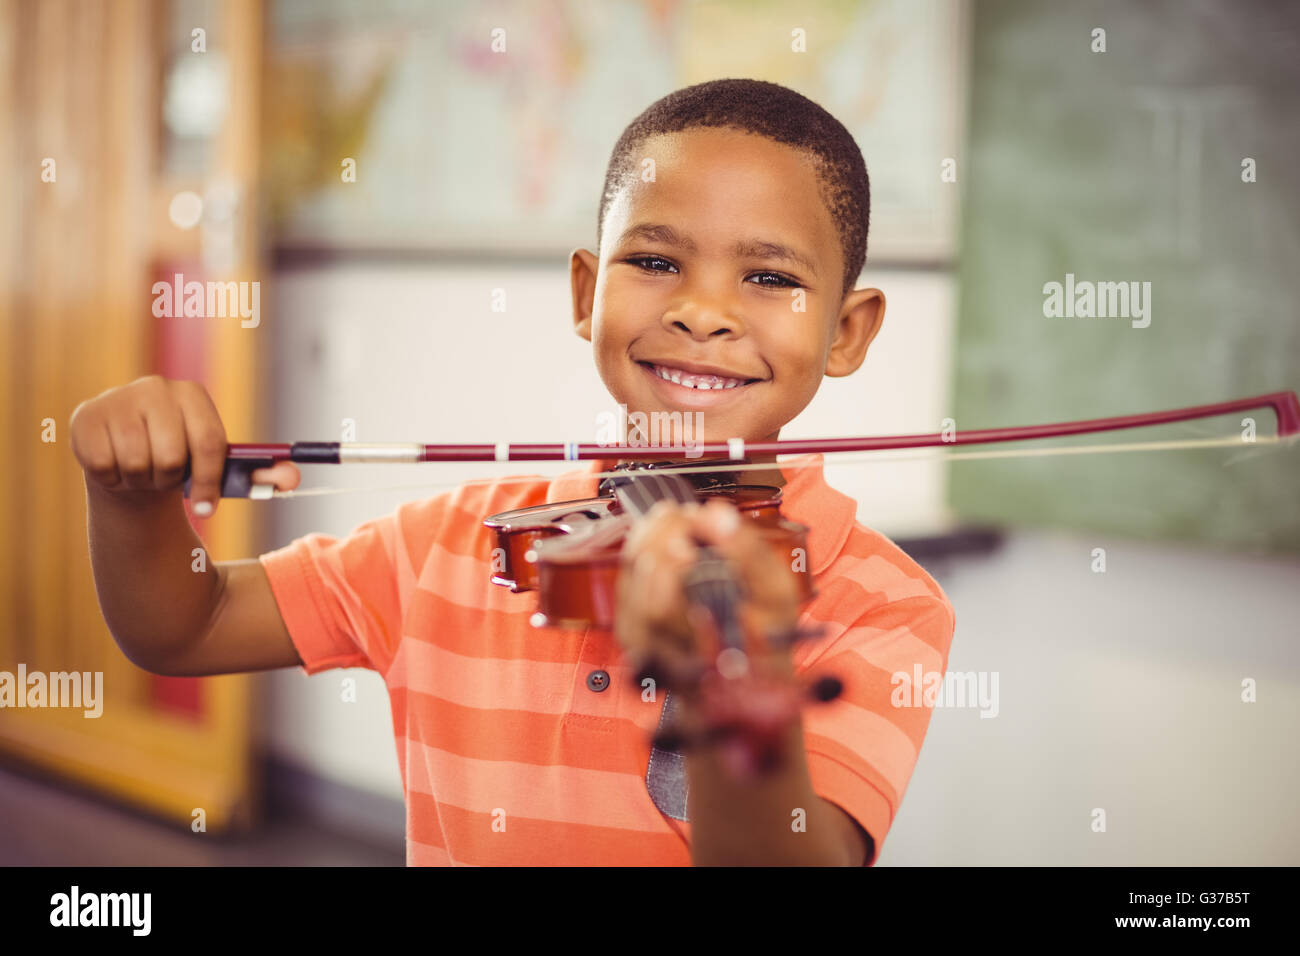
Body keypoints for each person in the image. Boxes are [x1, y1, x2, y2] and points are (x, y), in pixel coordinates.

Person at [70, 78, 955, 866]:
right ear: (585, 293)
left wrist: (733, 684)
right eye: (653, 262)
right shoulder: (454, 543)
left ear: (847, 332)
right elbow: (187, 627)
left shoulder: (882, 602)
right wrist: (131, 500)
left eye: (767, 276)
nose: (701, 312)